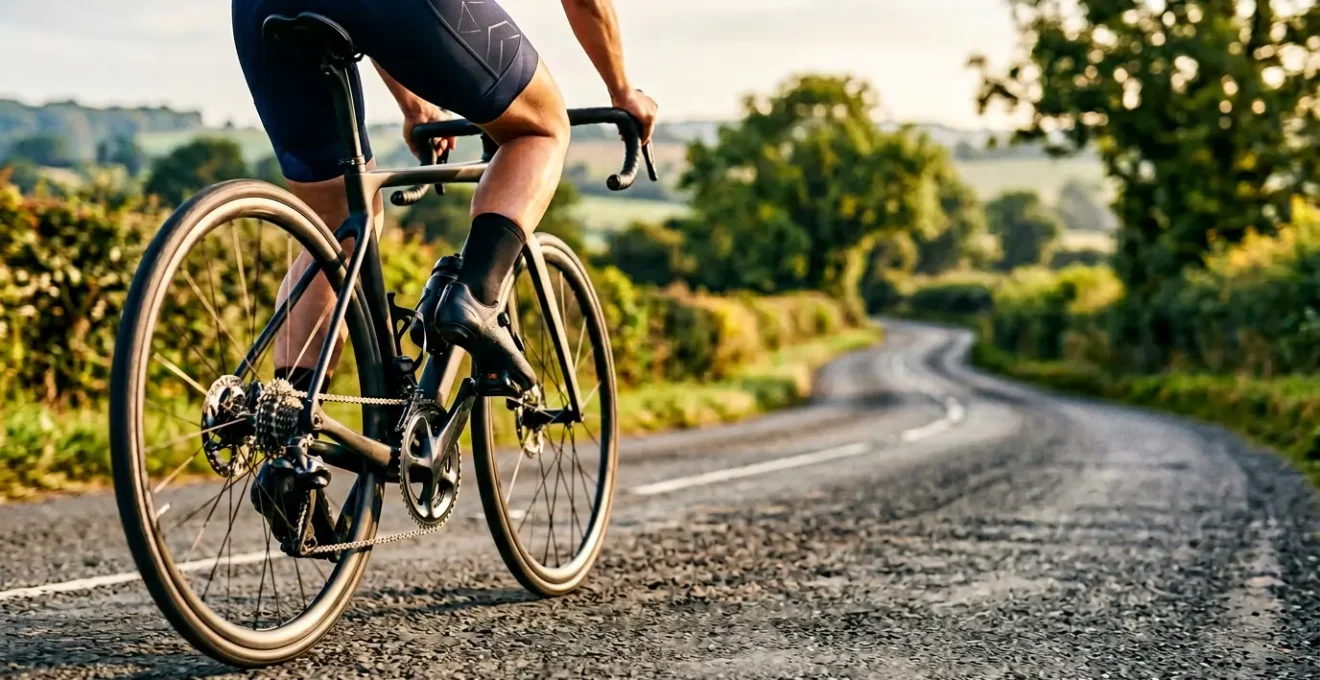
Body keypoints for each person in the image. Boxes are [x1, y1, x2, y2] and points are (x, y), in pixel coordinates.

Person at [232, 0, 657, 395]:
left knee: (335, 228)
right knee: (541, 127)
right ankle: (474, 296)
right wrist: (622, 91)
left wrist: (413, 106)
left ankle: (287, 431)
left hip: (261, 9)